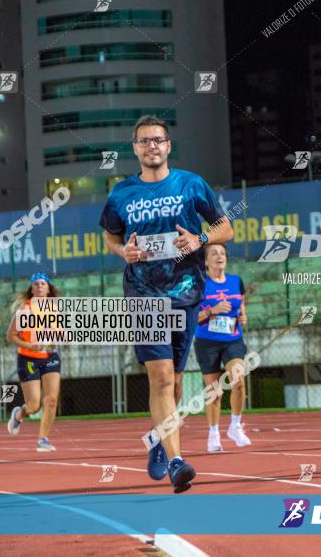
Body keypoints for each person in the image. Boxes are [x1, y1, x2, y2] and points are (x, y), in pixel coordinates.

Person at [100, 115, 232, 493]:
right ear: (136, 148)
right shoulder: (121, 193)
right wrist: (122, 251)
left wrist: (200, 239)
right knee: (159, 377)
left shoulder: (191, 184)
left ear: (168, 145)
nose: (152, 146)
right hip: (143, 293)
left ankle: (160, 437)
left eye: (158, 140)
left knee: (174, 381)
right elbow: (110, 236)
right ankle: (177, 462)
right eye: (144, 141)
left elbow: (226, 227)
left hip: (187, 292)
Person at [194, 243, 250, 452]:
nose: (220, 256)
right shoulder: (200, 285)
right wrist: (212, 310)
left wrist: (243, 316)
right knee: (214, 392)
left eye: (222, 253)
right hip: (207, 342)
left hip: (233, 339)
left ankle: (235, 426)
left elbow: (241, 305)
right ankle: (213, 433)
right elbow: (192, 318)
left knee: (238, 381)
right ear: (206, 261)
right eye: (213, 253)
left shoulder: (236, 282)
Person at [6, 273, 62, 452]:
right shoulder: (25, 310)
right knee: (34, 404)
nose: (39, 287)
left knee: (51, 400)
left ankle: (43, 439)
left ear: (48, 289)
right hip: (28, 358)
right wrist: (30, 345)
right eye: (36, 284)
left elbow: (62, 334)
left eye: (43, 284)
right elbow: (11, 336)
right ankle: (19, 414)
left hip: (50, 357)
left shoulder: (54, 309)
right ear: (32, 289)